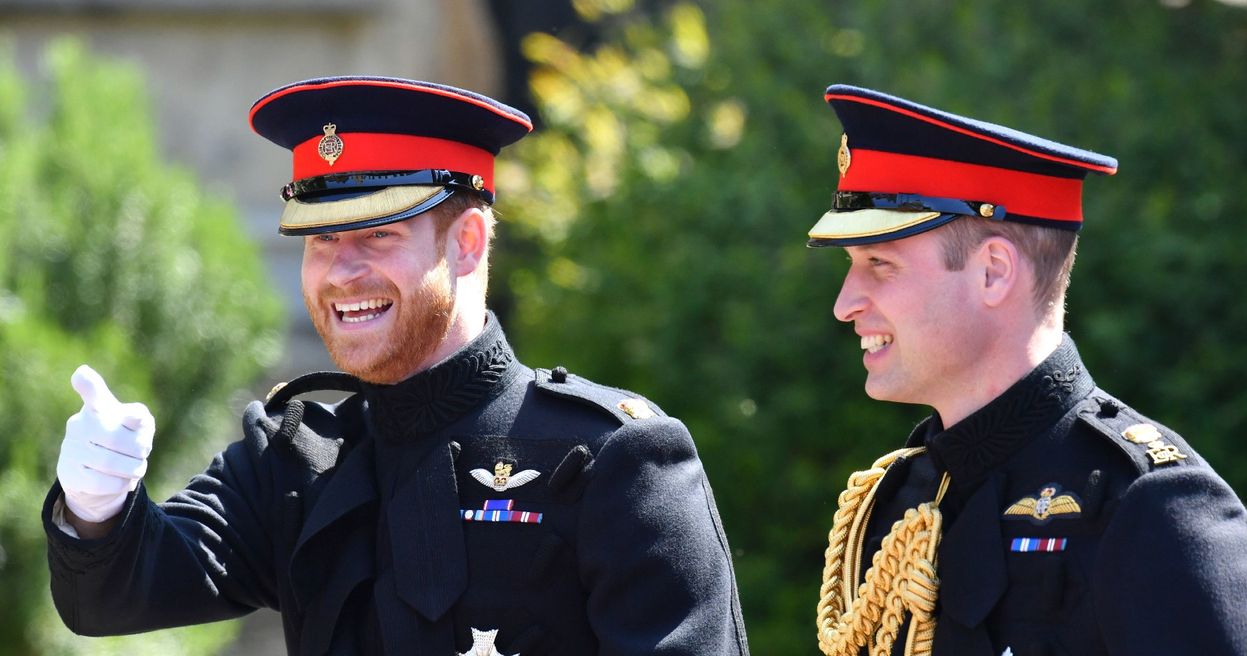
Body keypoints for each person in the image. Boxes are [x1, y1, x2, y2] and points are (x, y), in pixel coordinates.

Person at [43, 76, 750, 656]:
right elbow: (114, 595)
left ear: (468, 242)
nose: (340, 273)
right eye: (319, 242)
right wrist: (97, 507)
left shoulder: (609, 460)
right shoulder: (296, 464)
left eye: (377, 235)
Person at [807, 85, 1247, 656]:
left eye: (879, 264)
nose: (845, 302)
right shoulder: (901, 501)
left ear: (993, 272)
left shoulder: (1153, 508)